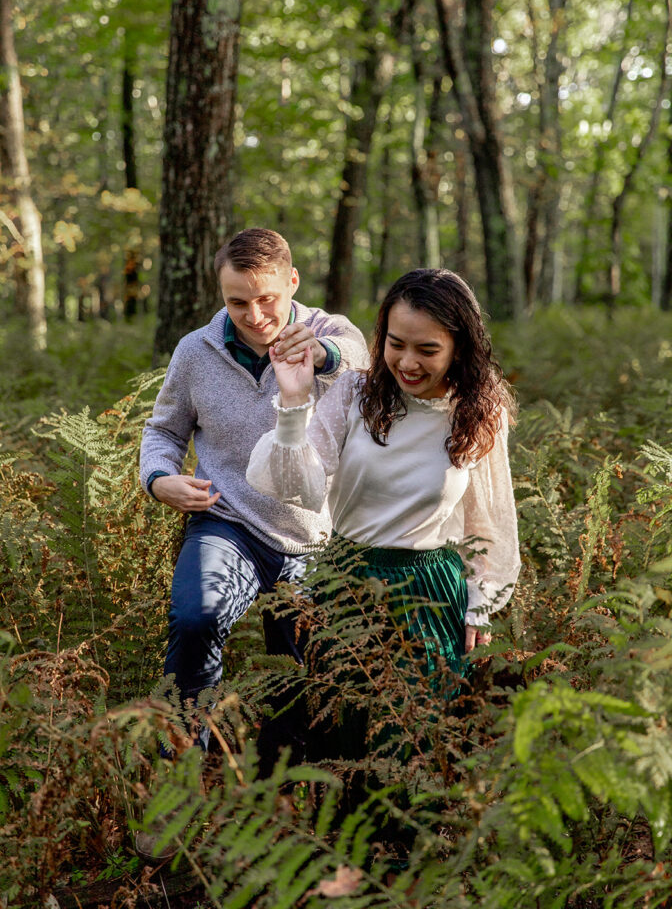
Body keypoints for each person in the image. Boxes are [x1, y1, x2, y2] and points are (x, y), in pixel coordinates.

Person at [138, 229, 368, 790]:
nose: (254, 314)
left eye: (267, 298)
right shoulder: (197, 350)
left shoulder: (331, 333)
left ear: (292, 281)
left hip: (314, 536)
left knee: (297, 675)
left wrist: (320, 353)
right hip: (228, 519)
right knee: (198, 617)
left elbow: (355, 356)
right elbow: (163, 429)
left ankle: (282, 792)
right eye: (237, 301)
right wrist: (160, 478)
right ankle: (179, 776)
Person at [246, 267, 521, 685]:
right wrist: (294, 397)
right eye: (396, 344)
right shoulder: (355, 396)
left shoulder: (479, 414)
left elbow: (490, 521)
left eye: (427, 349)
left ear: (459, 349)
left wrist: (481, 604)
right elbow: (295, 487)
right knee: (343, 727)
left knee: (417, 736)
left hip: (430, 590)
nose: (407, 363)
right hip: (346, 582)